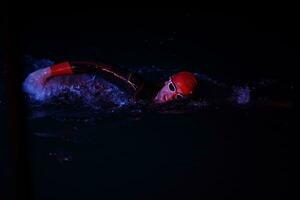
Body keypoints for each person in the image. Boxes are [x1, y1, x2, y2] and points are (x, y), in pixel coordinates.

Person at [23, 61, 198, 104]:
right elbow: (95, 66)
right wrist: (47, 72)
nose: (170, 97)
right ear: (167, 81)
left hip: (100, 98)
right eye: (172, 87)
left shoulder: (173, 107)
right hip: (76, 83)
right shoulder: (135, 85)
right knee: (36, 92)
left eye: (178, 96)